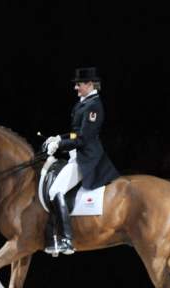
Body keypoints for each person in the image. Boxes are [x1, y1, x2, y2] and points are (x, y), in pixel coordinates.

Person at [43, 66, 120, 255]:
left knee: (55, 190)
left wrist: (60, 146)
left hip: (87, 158)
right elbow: (75, 132)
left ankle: (66, 240)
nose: (76, 88)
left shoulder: (94, 105)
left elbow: (83, 139)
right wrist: (59, 138)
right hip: (77, 154)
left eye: (79, 84)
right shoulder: (84, 103)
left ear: (89, 84)